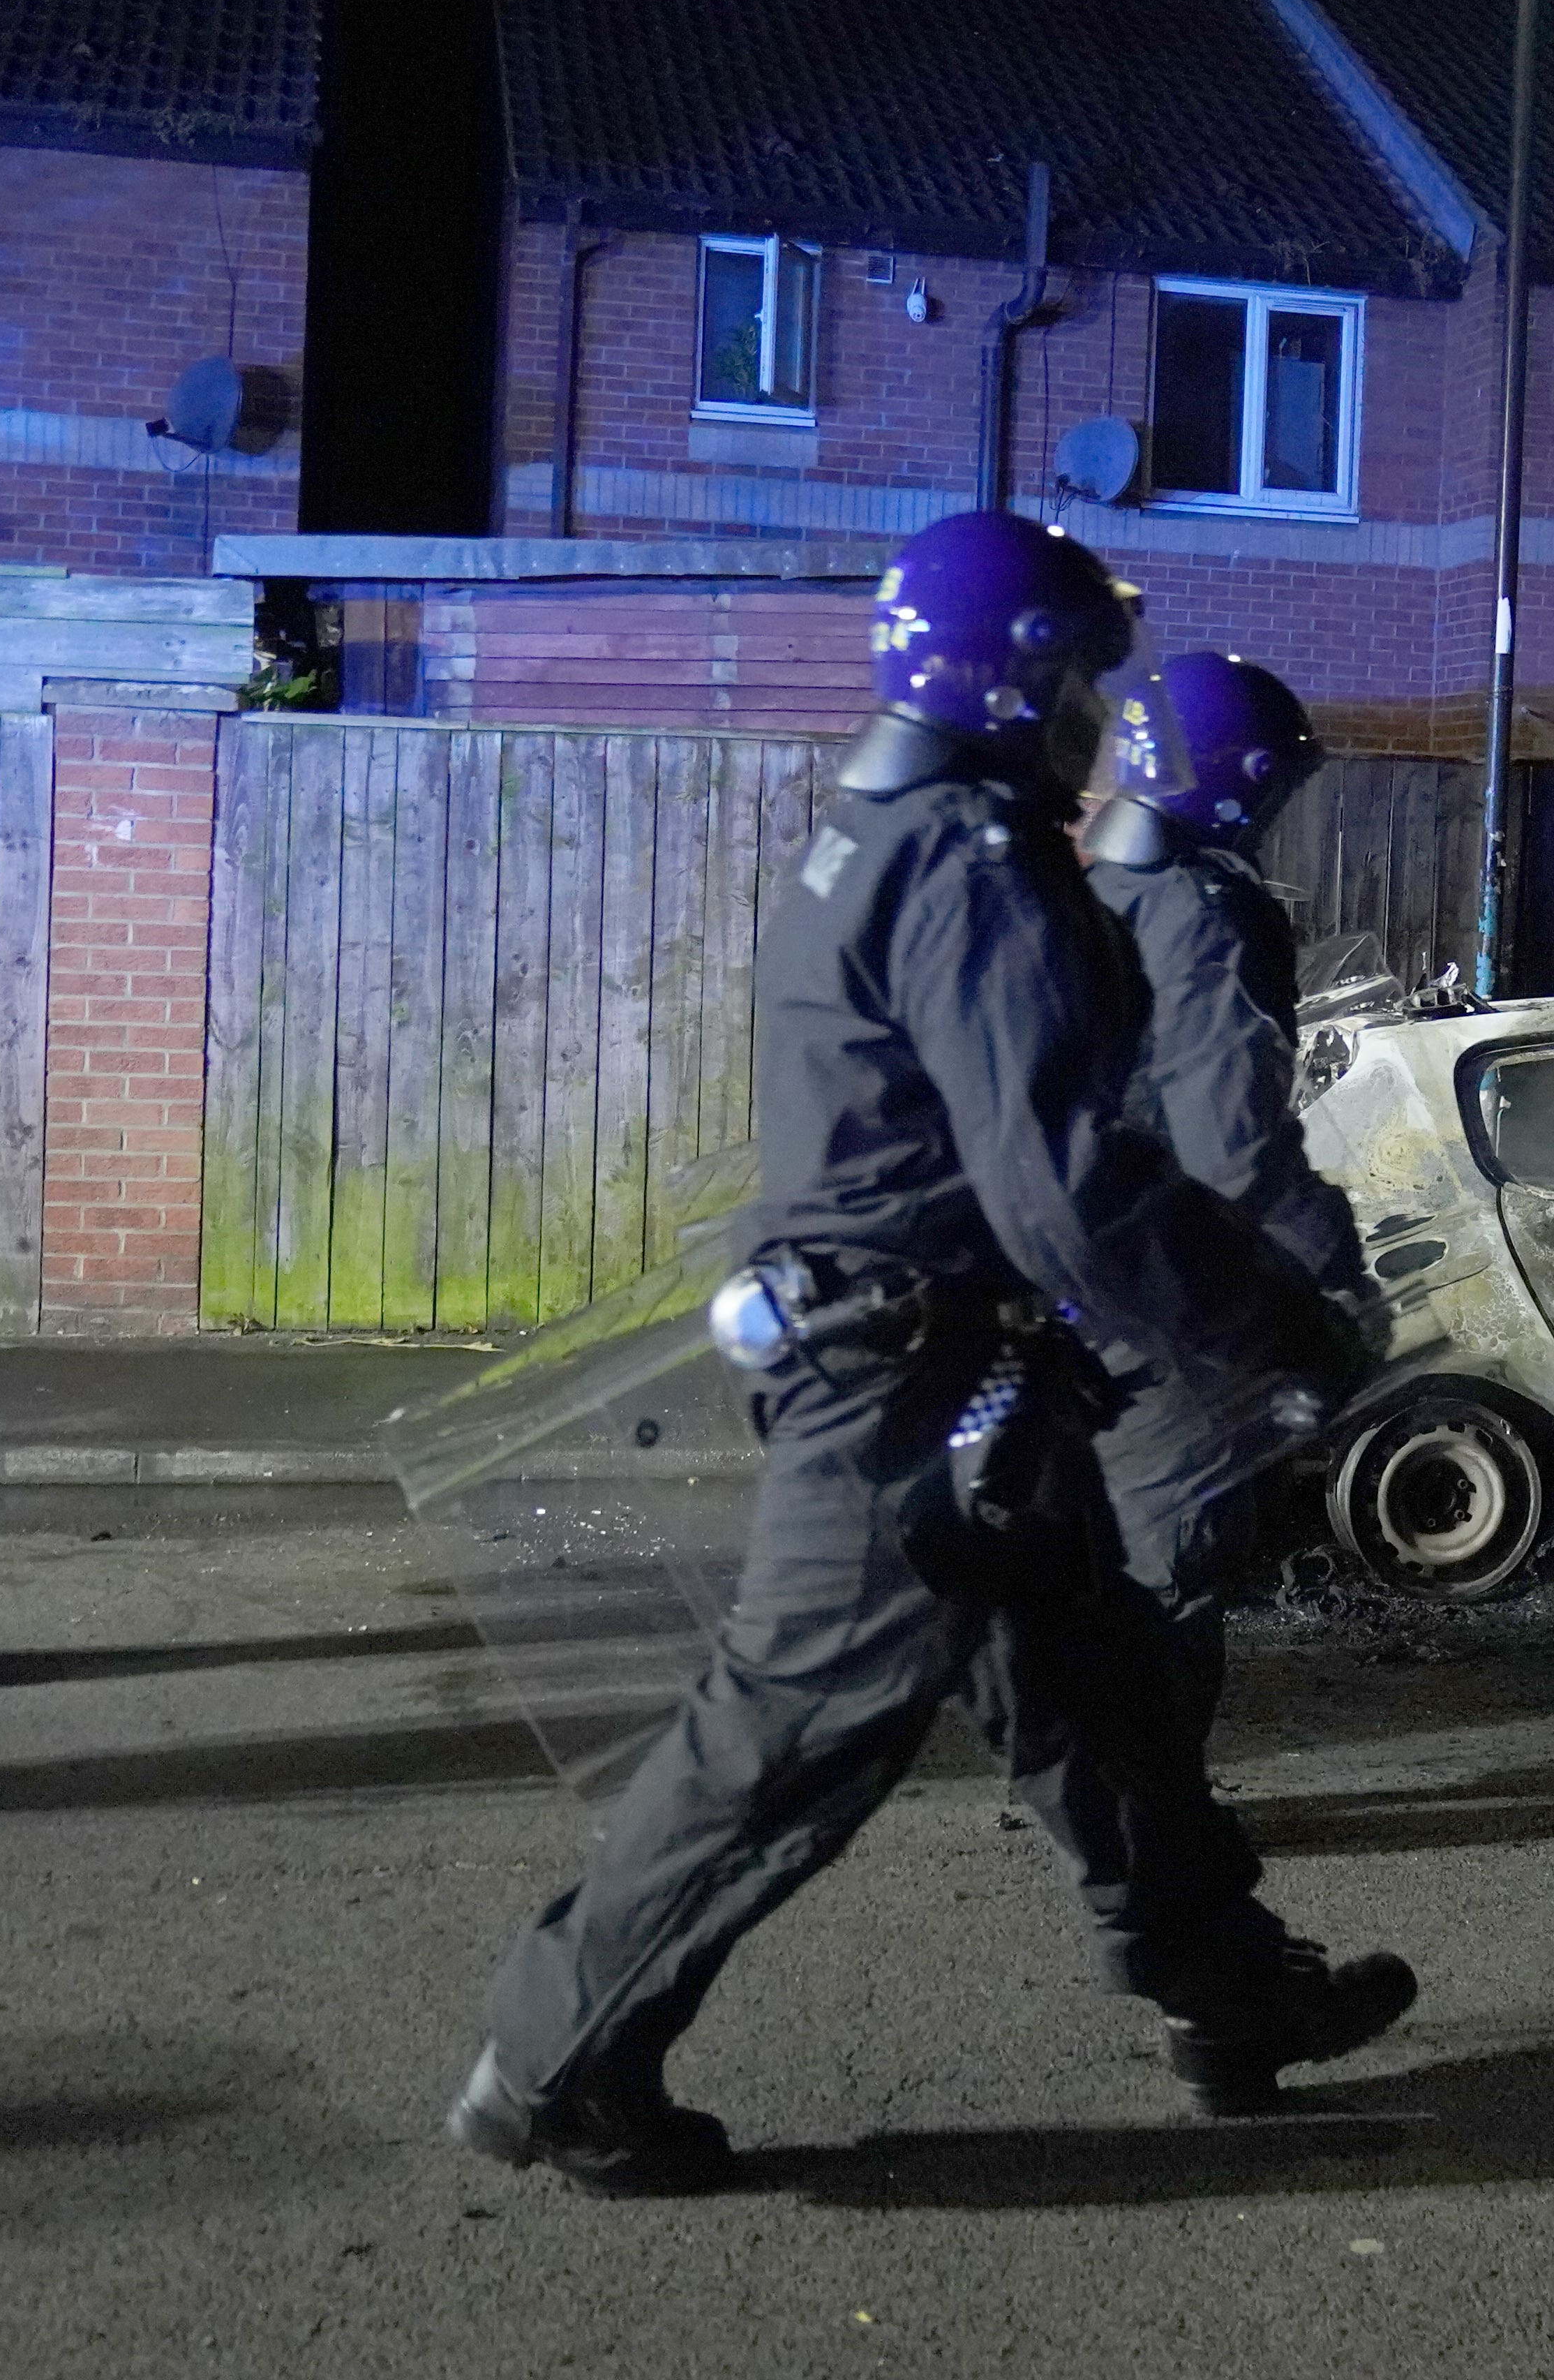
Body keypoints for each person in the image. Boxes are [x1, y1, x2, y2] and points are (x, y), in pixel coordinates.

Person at [449, 512, 1410, 2195]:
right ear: (1015, 674)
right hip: (911, 1390)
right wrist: (1274, 1318)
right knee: (789, 1736)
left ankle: (1229, 1992)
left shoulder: (894, 831)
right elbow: (1071, 1188)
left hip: (965, 1377)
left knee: (1105, 1701)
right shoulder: (971, 857)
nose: (1100, 721)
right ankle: (561, 2054)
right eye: (1085, 681)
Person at [1079, 650, 1382, 1738]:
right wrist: (1334, 1282)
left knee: (1091, 1547)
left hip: (1066, 1273)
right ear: (1238, 780)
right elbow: (1234, 1143)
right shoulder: (1204, 912)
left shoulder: (1087, 889)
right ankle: (1142, 1823)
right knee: (1169, 1555)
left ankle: (1080, 1787)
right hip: (1163, 1284)